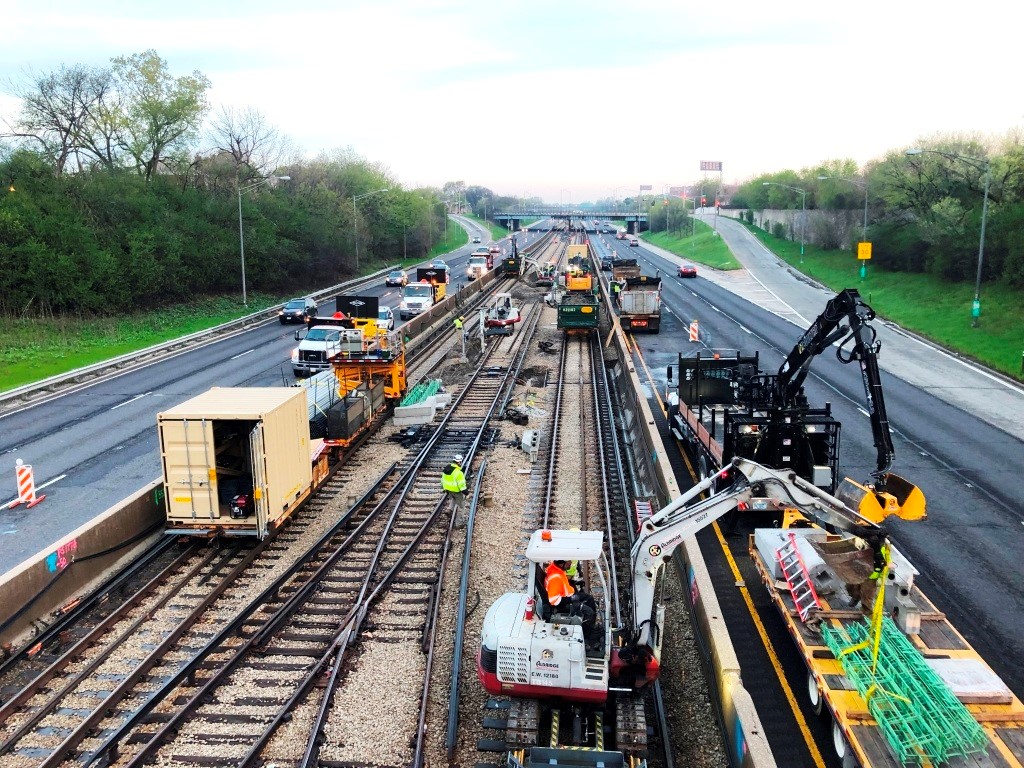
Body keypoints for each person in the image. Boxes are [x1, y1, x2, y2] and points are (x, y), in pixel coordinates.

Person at [441, 453, 468, 526]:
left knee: (453, 498)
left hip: (448, 489)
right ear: (459, 462)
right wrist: (465, 491)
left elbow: (442, 479)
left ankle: (449, 509)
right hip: (456, 490)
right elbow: (461, 484)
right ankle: (459, 523)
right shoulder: (458, 473)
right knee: (461, 506)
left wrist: (444, 488)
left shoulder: (447, 468)